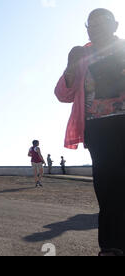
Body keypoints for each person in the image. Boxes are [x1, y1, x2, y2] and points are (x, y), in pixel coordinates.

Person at [55, 9, 125, 256]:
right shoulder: (82, 55)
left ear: (115, 25)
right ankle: (110, 246)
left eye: (101, 23)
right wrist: (70, 69)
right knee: (105, 188)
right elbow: (63, 95)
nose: (95, 28)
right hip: (98, 129)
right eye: (90, 25)